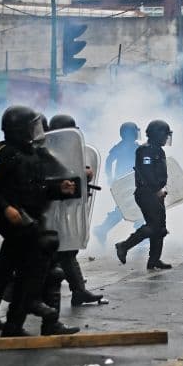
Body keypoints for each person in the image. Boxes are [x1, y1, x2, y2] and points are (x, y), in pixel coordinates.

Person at [0, 105, 80, 337]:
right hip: (14, 219)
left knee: (5, 268)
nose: (37, 130)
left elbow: (38, 188)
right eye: (32, 126)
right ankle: (27, 317)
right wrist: (5, 208)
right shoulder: (3, 152)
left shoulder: (33, 153)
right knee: (42, 263)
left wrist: (60, 188)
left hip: (30, 215)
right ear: (19, 129)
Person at [46, 113, 105, 307]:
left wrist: (85, 172)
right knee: (57, 252)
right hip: (50, 210)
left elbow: (83, 171)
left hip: (64, 209)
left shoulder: (68, 149)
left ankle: (78, 291)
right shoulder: (49, 151)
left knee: (66, 251)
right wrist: (83, 174)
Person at [115, 119, 173, 270]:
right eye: (165, 134)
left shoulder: (158, 150)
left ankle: (154, 260)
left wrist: (161, 189)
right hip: (146, 194)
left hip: (156, 193)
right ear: (157, 134)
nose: (167, 138)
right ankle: (124, 245)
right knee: (154, 226)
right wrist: (157, 189)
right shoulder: (145, 150)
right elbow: (147, 173)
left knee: (160, 228)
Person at [93, 122, 141, 245]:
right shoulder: (122, 147)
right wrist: (110, 177)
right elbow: (109, 161)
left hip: (132, 181)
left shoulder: (133, 146)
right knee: (129, 207)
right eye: (135, 131)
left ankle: (102, 229)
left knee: (127, 208)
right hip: (125, 182)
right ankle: (142, 234)